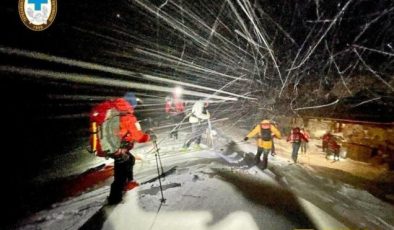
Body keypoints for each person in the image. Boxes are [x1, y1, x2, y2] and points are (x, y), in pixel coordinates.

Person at [107, 92, 155, 204]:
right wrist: (149, 136)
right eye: (135, 104)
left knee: (130, 160)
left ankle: (128, 183)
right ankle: (114, 199)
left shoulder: (116, 112)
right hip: (119, 148)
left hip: (115, 146)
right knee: (120, 174)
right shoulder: (127, 116)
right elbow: (138, 137)